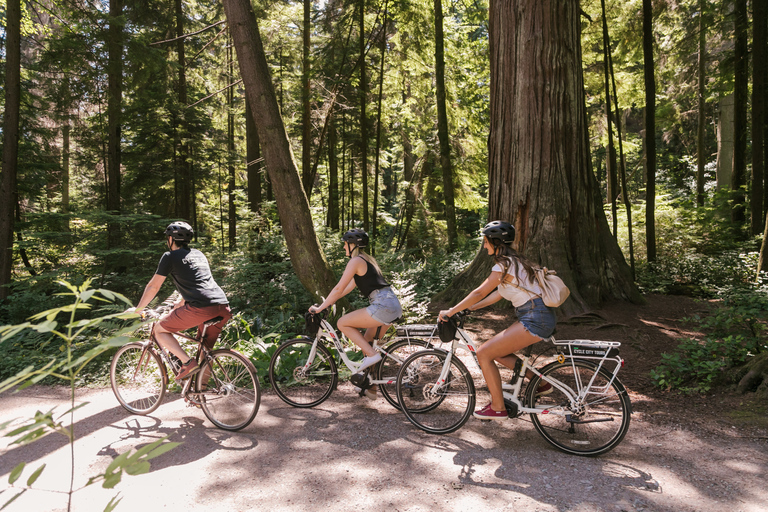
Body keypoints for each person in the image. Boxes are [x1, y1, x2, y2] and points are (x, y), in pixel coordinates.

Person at [438, 220, 557, 420]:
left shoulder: (504, 264)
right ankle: (540, 382)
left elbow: (479, 292)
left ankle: (498, 406)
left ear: (495, 241)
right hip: (538, 316)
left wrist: (451, 310)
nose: (484, 246)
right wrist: (470, 308)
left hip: (534, 317)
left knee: (483, 353)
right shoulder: (518, 262)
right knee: (498, 353)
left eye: (486, 242)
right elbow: (496, 295)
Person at [308, 228, 403, 399]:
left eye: (345, 244)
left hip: (382, 305)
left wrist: (321, 307)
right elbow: (346, 288)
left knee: (342, 323)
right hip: (391, 304)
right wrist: (329, 302)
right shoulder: (367, 260)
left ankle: (373, 356)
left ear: (353, 245)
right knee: (368, 342)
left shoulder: (355, 261)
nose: (344, 248)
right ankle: (371, 388)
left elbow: (338, 288)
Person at [133, 221, 232, 381]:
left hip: (201, 307)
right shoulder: (199, 254)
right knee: (206, 353)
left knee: (159, 330)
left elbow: (153, 286)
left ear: (171, 239)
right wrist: (180, 302)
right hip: (222, 305)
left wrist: (138, 309)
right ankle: (201, 393)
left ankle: (187, 362)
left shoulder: (169, 257)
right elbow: (198, 282)